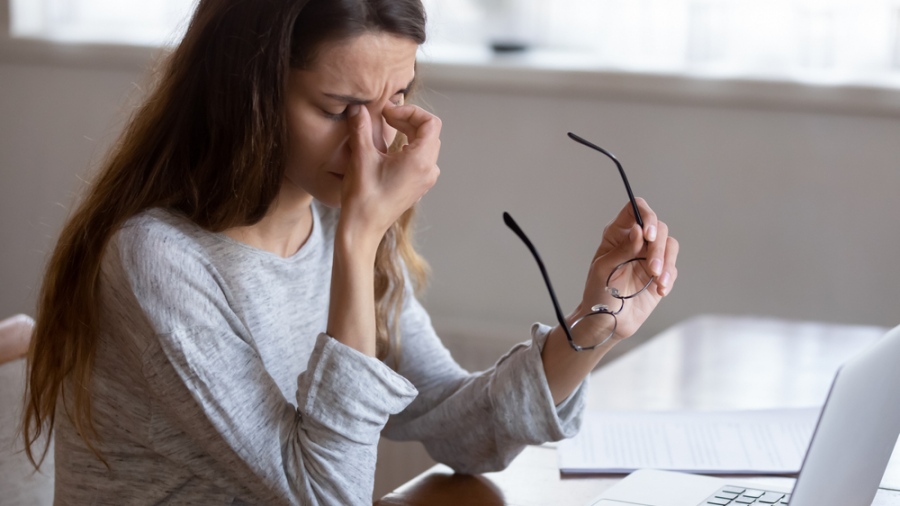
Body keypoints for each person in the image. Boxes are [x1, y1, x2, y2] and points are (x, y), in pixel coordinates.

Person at [23, 0, 679, 504]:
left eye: (395, 99)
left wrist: (598, 319)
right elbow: (324, 494)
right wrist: (363, 238)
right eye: (338, 108)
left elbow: (456, 426)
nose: (370, 144)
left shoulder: (335, 226)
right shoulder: (157, 262)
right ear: (247, 93)